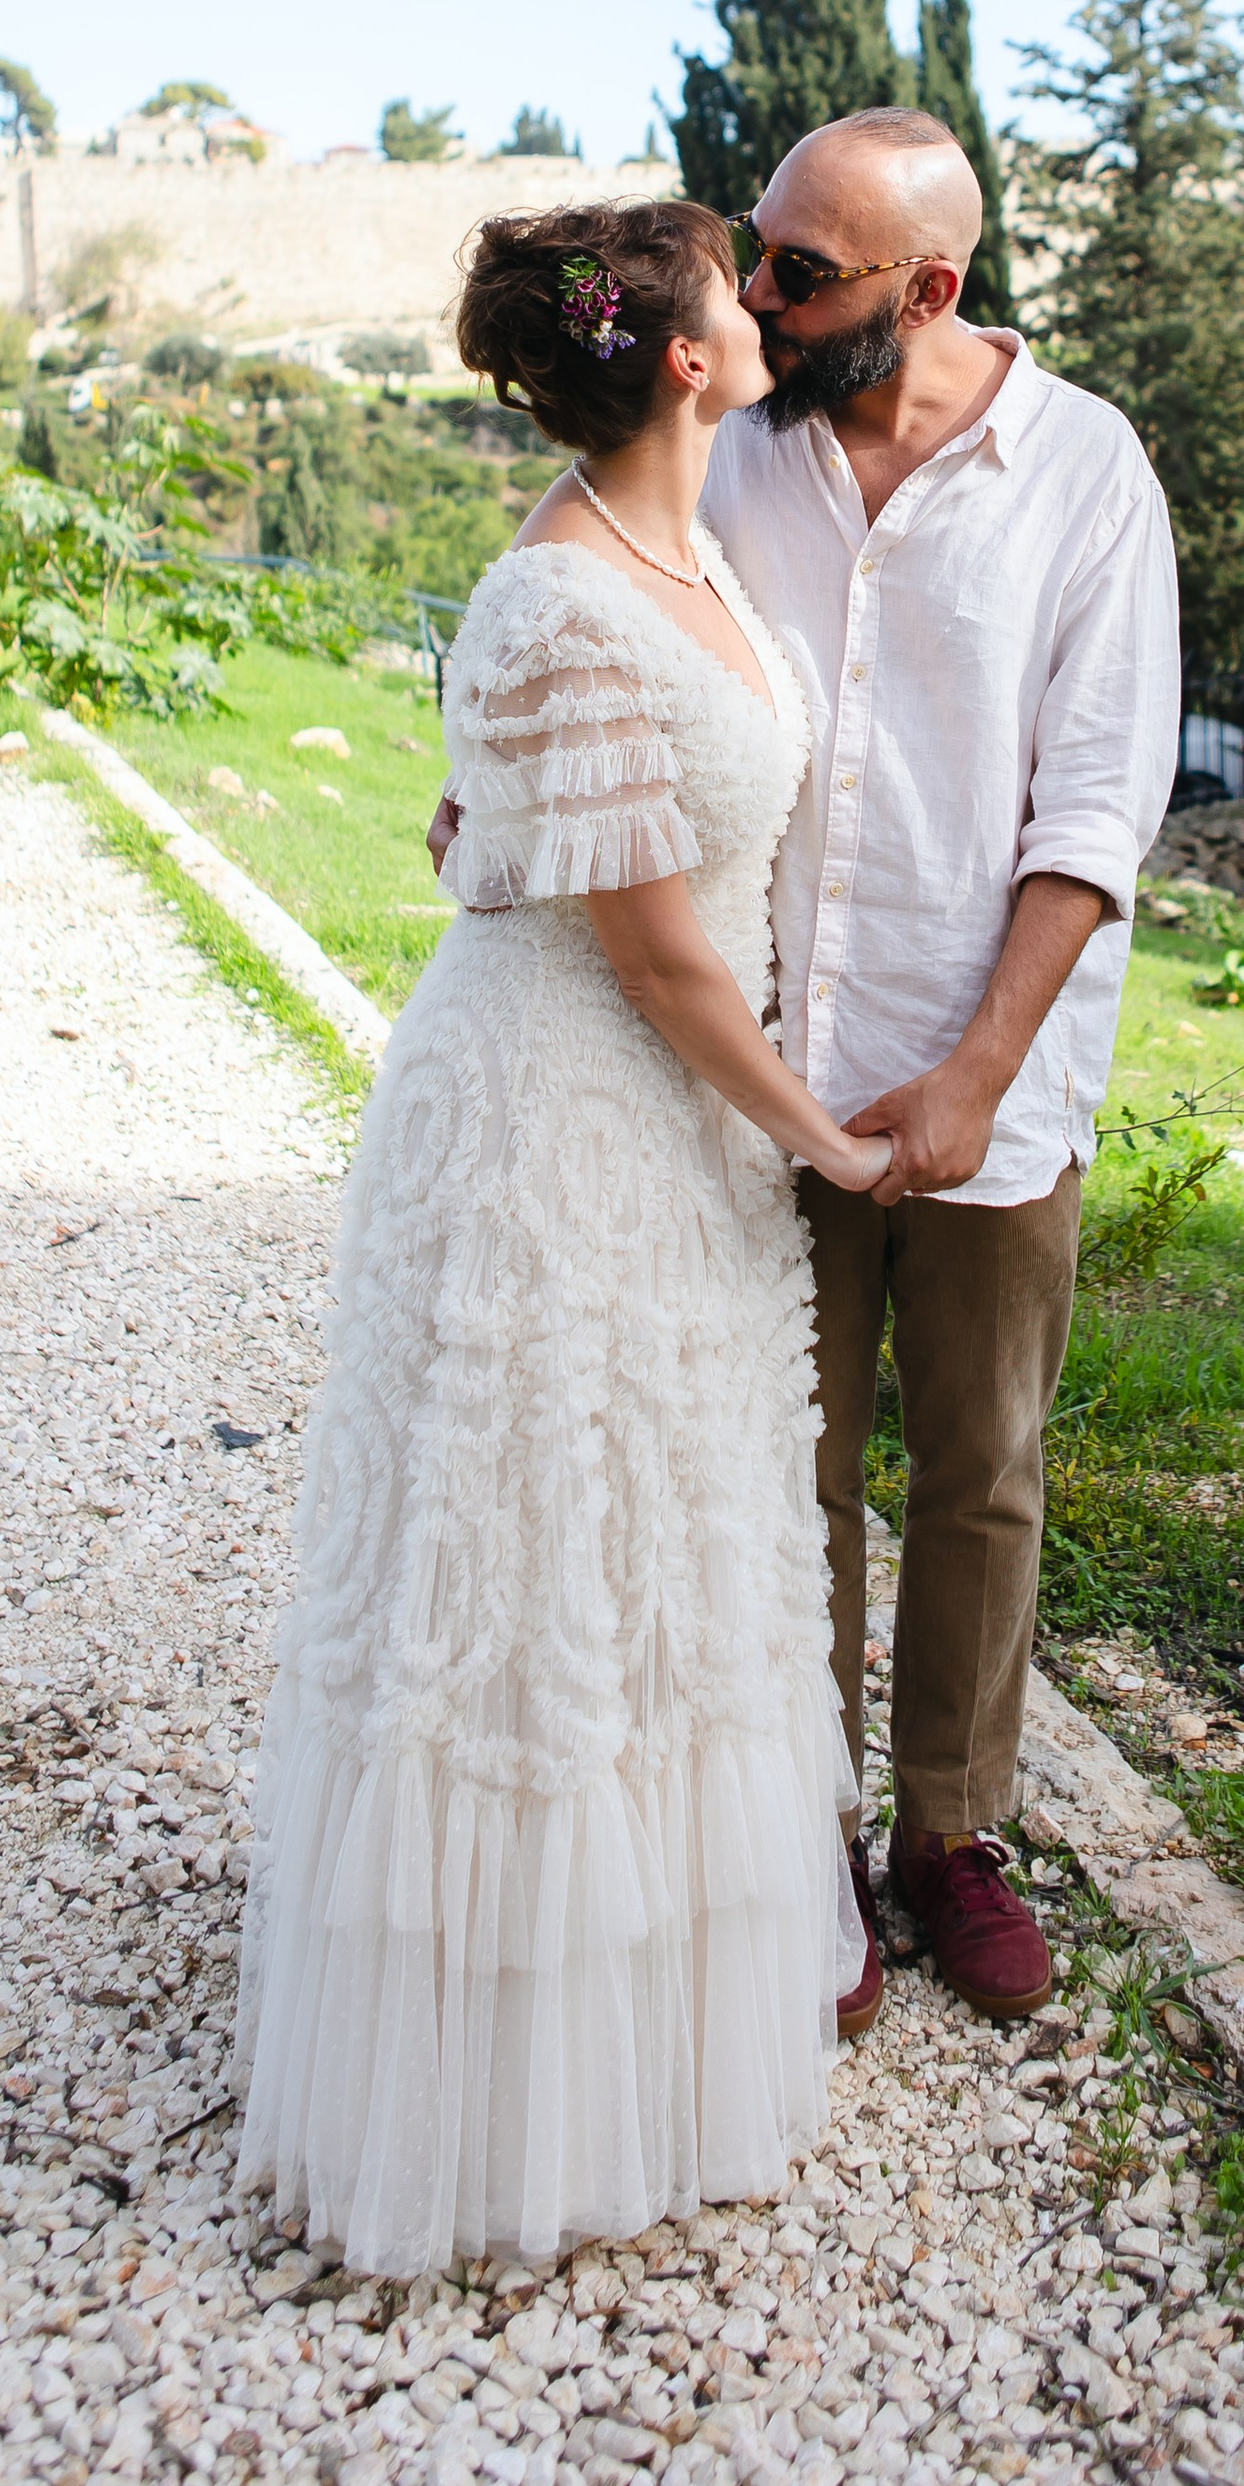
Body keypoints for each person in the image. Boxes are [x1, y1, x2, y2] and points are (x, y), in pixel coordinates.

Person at [235, 197, 889, 2278]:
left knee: (664, 1550)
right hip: (556, 1121)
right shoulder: (557, 595)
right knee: (534, 1564)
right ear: (683, 352)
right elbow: (658, 957)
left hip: (666, 1135)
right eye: (736, 277)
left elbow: (548, 829)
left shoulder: (690, 541)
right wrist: (825, 1145)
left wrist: (485, 812)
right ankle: (490, 2072)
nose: (763, 293)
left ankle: (662, 2026)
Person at [701, 109, 1180, 2026]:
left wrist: (984, 1067)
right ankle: (802, 1834)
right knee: (784, 1469)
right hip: (767, 1079)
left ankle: (949, 1837)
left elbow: (1096, 808)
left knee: (982, 1470)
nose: (760, 296)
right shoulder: (737, 456)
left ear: (935, 288)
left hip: (995, 1082)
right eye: (760, 249)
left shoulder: (1087, 475)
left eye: (803, 274)